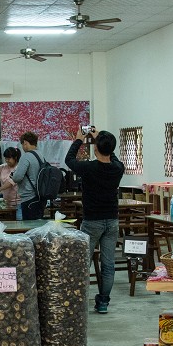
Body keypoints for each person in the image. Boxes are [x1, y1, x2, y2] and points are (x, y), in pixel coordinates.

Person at [65, 127, 126, 314]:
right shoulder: (118, 168)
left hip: (92, 222)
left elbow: (69, 160)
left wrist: (78, 139)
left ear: (96, 148)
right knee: (108, 265)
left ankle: (80, 300)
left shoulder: (89, 168)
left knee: (85, 263)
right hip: (112, 221)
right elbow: (112, 156)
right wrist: (101, 138)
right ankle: (103, 302)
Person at [12, 131, 46, 220]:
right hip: (40, 196)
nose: (22, 147)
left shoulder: (26, 156)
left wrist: (13, 175)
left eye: (22, 144)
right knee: (37, 226)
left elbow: (17, 177)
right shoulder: (41, 155)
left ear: (25, 143)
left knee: (29, 227)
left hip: (29, 197)